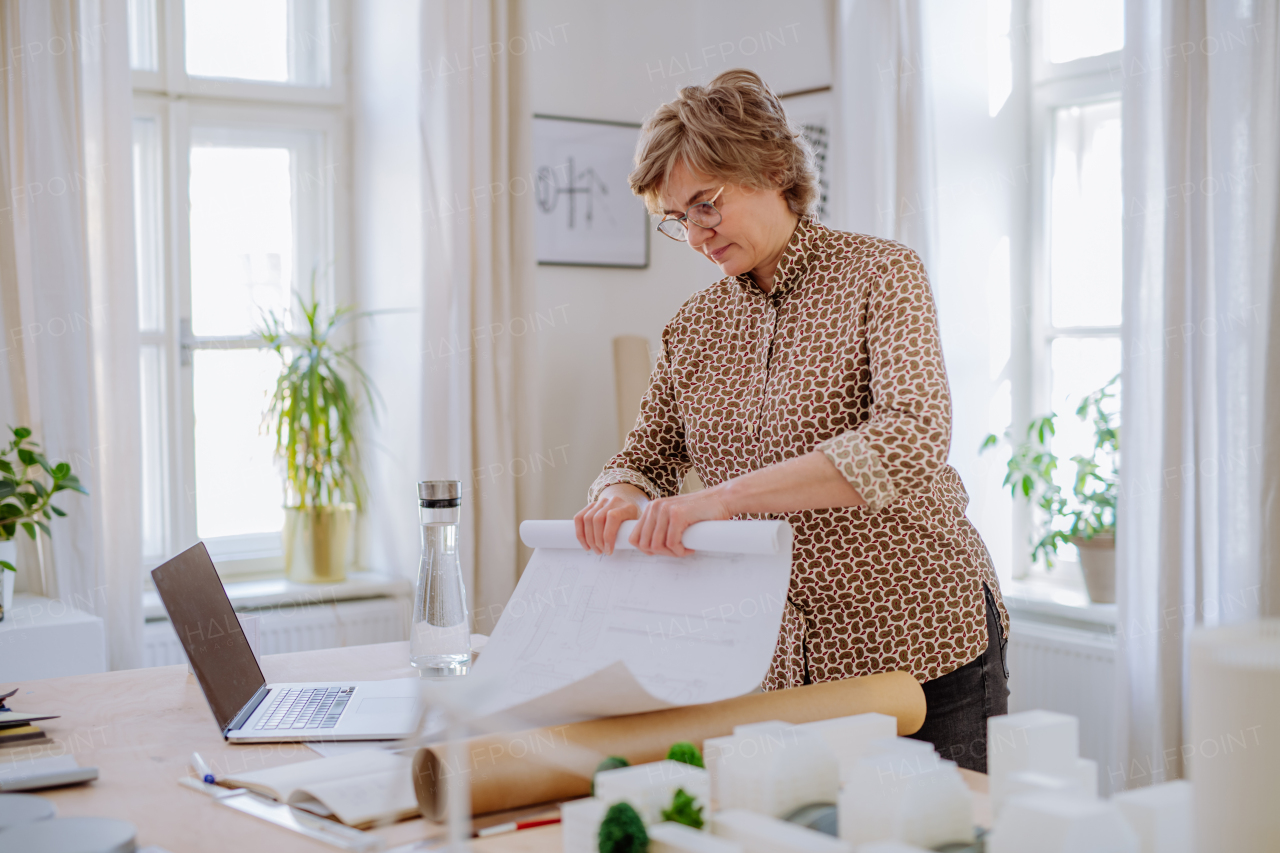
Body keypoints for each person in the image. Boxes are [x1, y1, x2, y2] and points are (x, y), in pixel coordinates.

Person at [572, 69, 1010, 773]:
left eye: (706, 203)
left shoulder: (882, 275)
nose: (696, 234)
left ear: (772, 169)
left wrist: (720, 498)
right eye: (678, 218)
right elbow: (645, 457)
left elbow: (910, 436)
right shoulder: (694, 328)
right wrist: (618, 493)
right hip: (782, 665)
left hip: (924, 643)